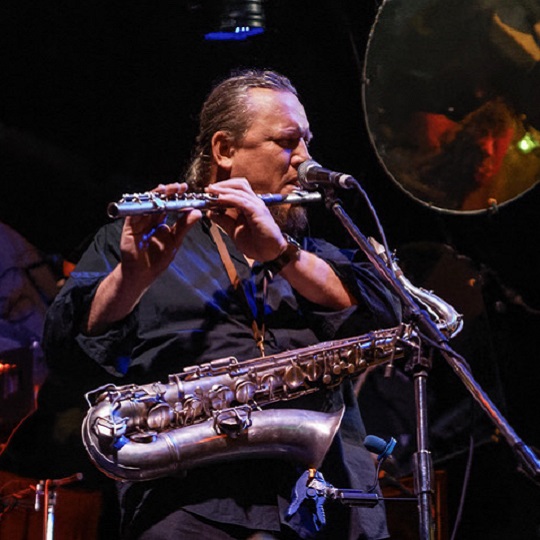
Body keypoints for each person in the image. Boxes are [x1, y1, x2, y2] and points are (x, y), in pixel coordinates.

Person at [42, 69, 402, 539]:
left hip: (325, 501)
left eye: (307, 142)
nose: (305, 160)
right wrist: (132, 278)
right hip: (192, 505)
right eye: (287, 142)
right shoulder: (137, 239)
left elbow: (389, 314)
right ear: (225, 151)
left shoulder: (314, 254)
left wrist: (284, 255)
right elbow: (67, 351)